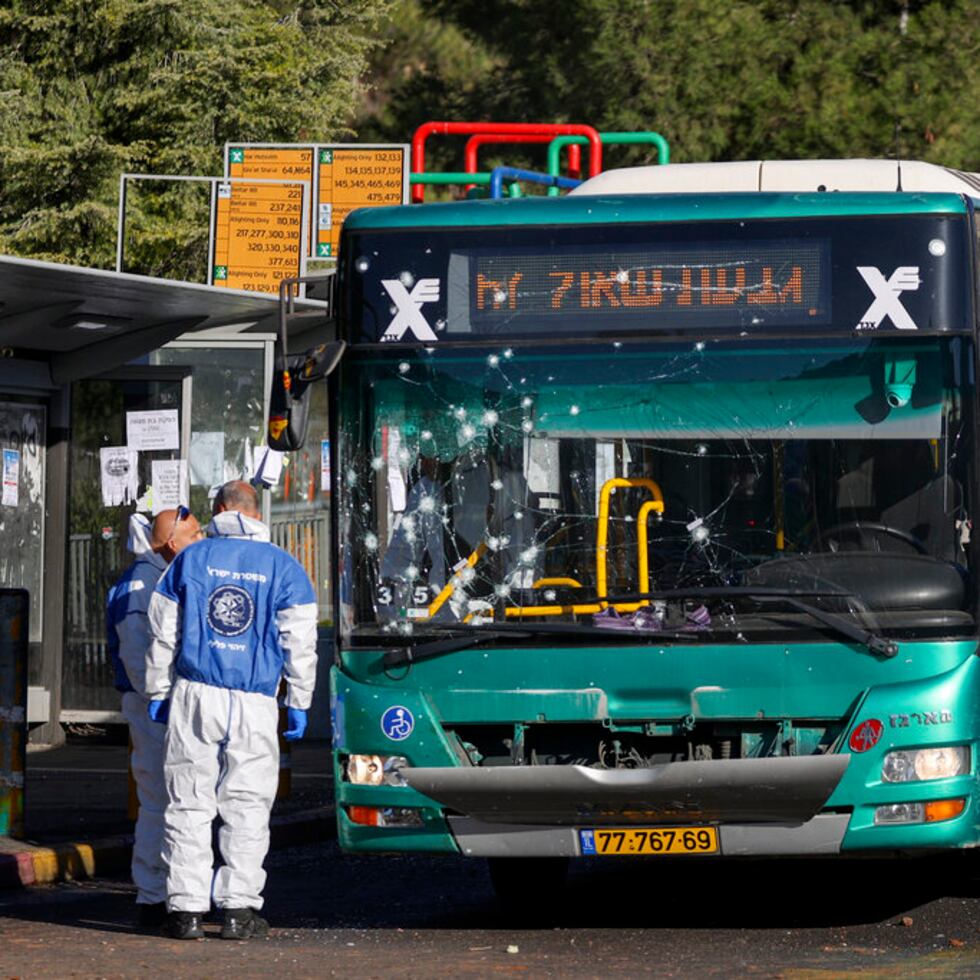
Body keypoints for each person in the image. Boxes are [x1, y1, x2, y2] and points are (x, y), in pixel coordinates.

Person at [145, 480, 318, 941]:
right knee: (247, 804)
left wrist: (158, 690)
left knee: (188, 801)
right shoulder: (284, 566)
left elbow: (163, 630)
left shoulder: (189, 561)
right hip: (255, 699)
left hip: (196, 691)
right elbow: (300, 642)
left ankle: (185, 910)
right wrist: (298, 701)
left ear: (220, 510)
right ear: (254, 511)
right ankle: (239, 909)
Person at [105, 507, 202, 927]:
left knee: (167, 801)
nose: (202, 540)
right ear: (170, 543)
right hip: (153, 705)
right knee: (162, 802)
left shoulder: (156, 577)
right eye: (195, 534)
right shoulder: (142, 585)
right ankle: (153, 894)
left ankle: (162, 892)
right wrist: (161, 698)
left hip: (162, 701)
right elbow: (136, 655)